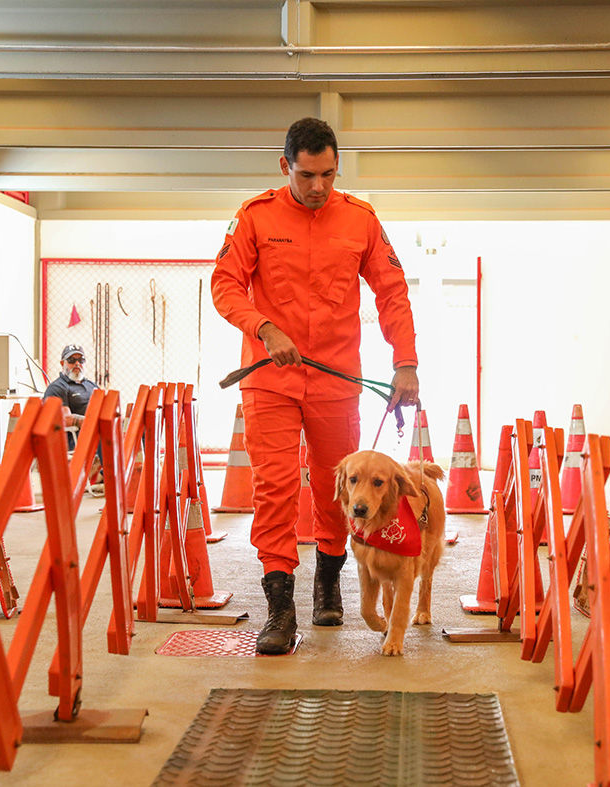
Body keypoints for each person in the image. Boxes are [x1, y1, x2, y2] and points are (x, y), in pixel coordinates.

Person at [211, 117, 421, 655]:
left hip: (336, 381)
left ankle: (328, 582)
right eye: (307, 175)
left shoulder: (360, 220)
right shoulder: (254, 217)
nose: (318, 187)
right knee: (275, 491)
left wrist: (406, 363)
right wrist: (264, 326)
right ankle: (280, 606)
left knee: (340, 496)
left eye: (328, 174)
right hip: (271, 380)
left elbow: (391, 291)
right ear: (286, 166)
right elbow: (225, 284)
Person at [42, 343, 98, 449]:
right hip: (75, 439)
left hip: (96, 433)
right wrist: (93, 423)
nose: (77, 363)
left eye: (81, 360)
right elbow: (64, 419)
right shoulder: (58, 387)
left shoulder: (92, 385)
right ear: (62, 363)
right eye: (71, 360)